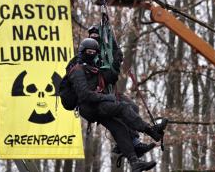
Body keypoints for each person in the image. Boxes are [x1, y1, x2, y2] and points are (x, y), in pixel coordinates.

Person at [66, 38, 168, 172]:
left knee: (119, 128)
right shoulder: (77, 71)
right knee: (122, 108)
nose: (91, 54)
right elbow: (84, 95)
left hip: (96, 105)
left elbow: (110, 77)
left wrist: (116, 60)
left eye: (93, 52)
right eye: (88, 52)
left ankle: (134, 162)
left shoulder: (94, 69)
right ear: (82, 52)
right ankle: (151, 130)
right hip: (89, 107)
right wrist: (106, 97)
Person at [87, 25, 156, 157]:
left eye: (97, 36)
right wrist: (114, 64)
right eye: (92, 36)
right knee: (122, 110)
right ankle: (130, 143)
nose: (95, 38)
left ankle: (132, 142)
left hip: (110, 92)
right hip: (99, 96)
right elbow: (107, 75)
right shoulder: (89, 55)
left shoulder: (104, 53)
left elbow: (111, 70)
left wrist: (116, 56)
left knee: (133, 107)